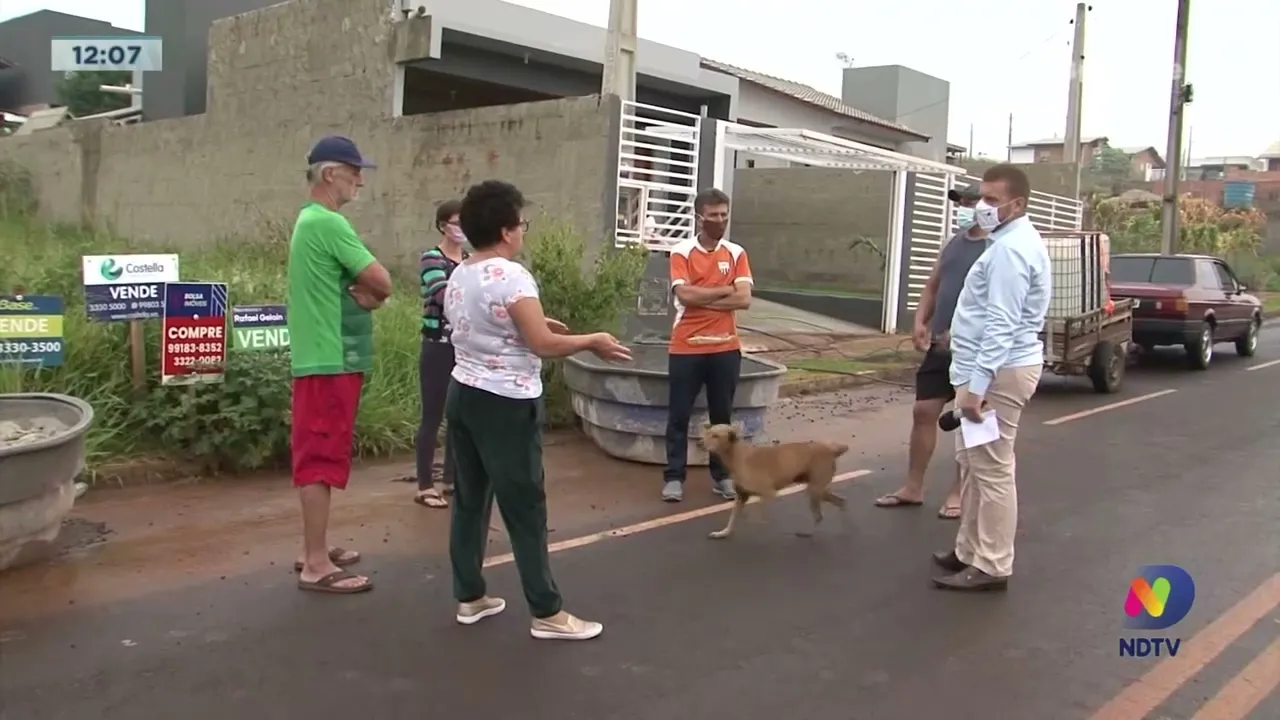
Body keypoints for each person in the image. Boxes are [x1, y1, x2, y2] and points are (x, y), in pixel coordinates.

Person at [444, 179, 632, 640]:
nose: (522, 231)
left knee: (470, 498)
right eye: (521, 224)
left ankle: (470, 595)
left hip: (463, 391)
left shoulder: (461, 271)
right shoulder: (512, 275)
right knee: (525, 506)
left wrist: (532, 323)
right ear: (506, 231)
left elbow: (481, 323)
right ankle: (547, 612)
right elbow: (544, 345)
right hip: (506, 402)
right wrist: (592, 340)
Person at [932, 165, 1050, 592]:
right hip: (987, 369)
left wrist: (977, 389)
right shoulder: (1007, 242)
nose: (982, 206)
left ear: (1017, 204)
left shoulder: (1010, 251)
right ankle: (969, 550)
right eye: (981, 197)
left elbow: (1002, 322)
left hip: (997, 375)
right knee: (973, 464)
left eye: (992, 200)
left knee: (992, 469)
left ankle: (993, 564)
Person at [288, 136, 392, 594]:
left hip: (323, 355)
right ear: (330, 174)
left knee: (319, 451)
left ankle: (313, 547)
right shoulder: (328, 223)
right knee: (320, 457)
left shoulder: (309, 221)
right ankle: (315, 564)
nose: (360, 181)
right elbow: (381, 281)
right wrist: (374, 294)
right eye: (354, 172)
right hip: (329, 358)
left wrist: (369, 295)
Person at [875, 184, 990, 520]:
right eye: (961, 202)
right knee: (924, 411)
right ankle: (913, 487)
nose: (964, 208)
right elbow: (933, 286)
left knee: (973, 419)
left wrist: (970, 333)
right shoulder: (954, 242)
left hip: (978, 350)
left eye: (971, 202)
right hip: (941, 346)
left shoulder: (997, 247)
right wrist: (920, 321)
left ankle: (960, 492)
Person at [662, 187, 752, 503]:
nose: (720, 220)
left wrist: (704, 297)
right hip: (686, 347)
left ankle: (723, 476)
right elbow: (684, 295)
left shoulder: (736, 253)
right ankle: (674, 477)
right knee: (679, 415)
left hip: (725, 348)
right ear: (699, 217)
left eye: (724, 214)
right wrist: (724, 291)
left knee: (722, 418)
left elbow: (744, 299)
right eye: (713, 215)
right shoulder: (682, 252)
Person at [413, 199, 467, 509]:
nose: (462, 229)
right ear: (443, 225)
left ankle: (451, 478)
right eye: (457, 223)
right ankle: (424, 485)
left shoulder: (470, 260)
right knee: (432, 416)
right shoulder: (432, 258)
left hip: (465, 347)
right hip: (437, 346)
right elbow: (442, 294)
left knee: (459, 415)